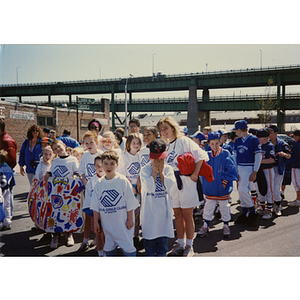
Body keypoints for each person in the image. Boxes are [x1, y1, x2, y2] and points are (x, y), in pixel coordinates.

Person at [157, 116, 209, 256]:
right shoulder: (166, 145)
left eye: (166, 128)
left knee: (187, 215)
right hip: (173, 183)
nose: (164, 131)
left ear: (173, 128)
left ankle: (190, 246)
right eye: (161, 129)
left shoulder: (184, 140)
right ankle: (180, 244)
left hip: (186, 181)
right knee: (178, 215)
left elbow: (201, 156)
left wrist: (195, 175)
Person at [91, 150, 140, 257]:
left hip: (122, 224)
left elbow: (130, 201)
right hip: (108, 224)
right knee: (109, 248)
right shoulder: (99, 183)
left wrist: (130, 219)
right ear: (102, 164)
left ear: (117, 165)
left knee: (128, 248)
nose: (109, 167)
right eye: (106, 163)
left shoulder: (122, 180)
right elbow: (95, 205)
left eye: (112, 164)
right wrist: (95, 222)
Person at [197, 132, 238, 238]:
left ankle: (226, 225)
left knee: (224, 206)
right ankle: (205, 225)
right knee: (208, 206)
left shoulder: (225, 154)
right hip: (210, 186)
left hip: (222, 187)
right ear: (209, 144)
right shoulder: (206, 155)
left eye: (216, 143)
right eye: (212, 144)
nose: (214, 146)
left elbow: (232, 169)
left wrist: (224, 182)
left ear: (220, 142)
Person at [140, 139, 177, 256]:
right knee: (150, 242)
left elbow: (170, 186)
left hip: (163, 214)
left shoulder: (168, 169)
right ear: (150, 157)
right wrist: (154, 172)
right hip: (150, 213)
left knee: (162, 242)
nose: (159, 161)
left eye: (161, 158)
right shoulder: (145, 170)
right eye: (156, 159)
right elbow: (149, 187)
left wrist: (161, 173)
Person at [44, 139, 79, 249]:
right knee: (55, 212)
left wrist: (75, 176)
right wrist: (48, 174)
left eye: (59, 147)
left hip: (68, 191)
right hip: (56, 191)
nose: (58, 149)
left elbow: (77, 171)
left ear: (64, 145)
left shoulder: (73, 159)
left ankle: (69, 234)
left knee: (68, 211)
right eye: (55, 149)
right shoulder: (55, 161)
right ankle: (55, 235)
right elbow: (52, 172)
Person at [232, 120, 262, 225]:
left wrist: (255, 171)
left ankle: (252, 211)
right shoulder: (238, 140)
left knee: (243, 189)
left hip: (249, 167)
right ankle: (245, 214)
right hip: (240, 167)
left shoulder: (253, 139)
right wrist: (235, 170)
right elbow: (235, 156)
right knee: (241, 192)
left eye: (236, 130)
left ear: (240, 130)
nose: (235, 132)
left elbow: (258, 156)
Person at [78, 131, 103, 252]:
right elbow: (82, 171)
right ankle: (85, 241)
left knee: (100, 217)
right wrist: (84, 181)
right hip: (89, 188)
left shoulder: (102, 154)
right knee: (88, 216)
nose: (89, 145)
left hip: (101, 189)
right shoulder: (85, 155)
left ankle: (99, 240)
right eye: (86, 143)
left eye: (91, 142)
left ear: (96, 142)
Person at [118, 133, 142, 246]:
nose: (136, 145)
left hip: (139, 186)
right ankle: (127, 234)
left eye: (138, 143)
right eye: (133, 143)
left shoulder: (140, 155)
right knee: (128, 212)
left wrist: (139, 183)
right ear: (128, 144)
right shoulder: (124, 157)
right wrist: (131, 187)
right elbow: (122, 174)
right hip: (129, 187)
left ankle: (135, 234)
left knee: (137, 212)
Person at [82, 155, 106, 256]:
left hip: (111, 213)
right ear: (94, 166)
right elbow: (88, 202)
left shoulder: (114, 179)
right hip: (97, 214)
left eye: (102, 165)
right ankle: (101, 254)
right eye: (97, 166)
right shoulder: (91, 182)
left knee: (108, 235)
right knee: (99, 234)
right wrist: (95, 214)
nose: (100, 168)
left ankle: (108, 252)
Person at [267, 124, 291, 214]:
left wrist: (284, 154)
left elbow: (289, 155)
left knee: (276, 188)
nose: (269, 134)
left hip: (278, 168)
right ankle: (269, 205)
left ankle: (277, 205)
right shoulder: (266, 143)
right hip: (267, 168)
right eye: (268, 132)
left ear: (276, 133)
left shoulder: (282, 144)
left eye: (271, 132)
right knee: (268, 189)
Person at [255, 128, 276, 219]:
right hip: (260, 171)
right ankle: (262, 207)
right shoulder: (259, 145)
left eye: (258, 138)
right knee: (260, 189)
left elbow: (271, 159)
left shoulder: (269, 146)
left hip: (268, 170)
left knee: (269, 190)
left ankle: (269, 210)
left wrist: (259, 161)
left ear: (264, 138)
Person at [0, 150, 16, 231]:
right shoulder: (9, 169)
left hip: (1, 189)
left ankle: (1, 221)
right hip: (7, 188)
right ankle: (7, 221)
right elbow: (12, 180)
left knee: (1, 205)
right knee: (7, 205)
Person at [287, 130, 300, 207]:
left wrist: (287, 163)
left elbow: (293, 157)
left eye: (294, 136)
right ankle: (298, 199)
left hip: (297, 166)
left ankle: (298, 200)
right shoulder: (296, 143)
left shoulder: (297, 145)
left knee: (297, 183)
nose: (293, 138)